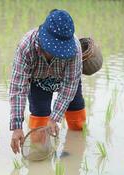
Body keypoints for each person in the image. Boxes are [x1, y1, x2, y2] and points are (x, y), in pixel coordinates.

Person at [9, 9, 86, 154]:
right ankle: (41, 157)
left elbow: (70, 84)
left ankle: (76, 151)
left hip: (66, 80)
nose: (57, 54)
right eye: (53, 49)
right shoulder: (26, 47)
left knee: (77, 122)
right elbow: (18, 88)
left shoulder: (74, 48)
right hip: (38, 82)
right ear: (43, 38)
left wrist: (55, 118)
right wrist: (17, 126)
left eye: (62, 51)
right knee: (39, 129)